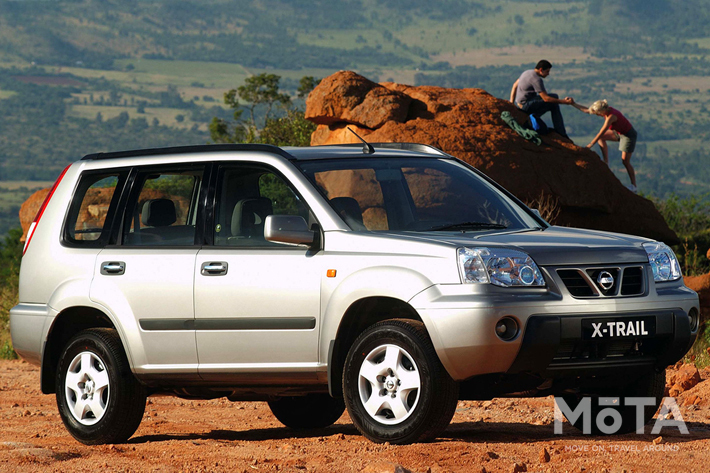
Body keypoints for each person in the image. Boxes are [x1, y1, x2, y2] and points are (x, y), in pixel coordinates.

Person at [571, 99, 638, 192]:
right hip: (618, 132)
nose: (597, 115)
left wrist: (590, 144)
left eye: (598, 114)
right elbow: (588, 110)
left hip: (628, 135)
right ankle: (606, 163)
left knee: (625, 161)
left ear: (602, 111)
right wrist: (573, 104)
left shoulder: (611, 116)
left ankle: (634, 186)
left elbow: (601, 131)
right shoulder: (605, 110)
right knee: (601, 138)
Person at [510, 60, 574, 138]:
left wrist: (511, 103)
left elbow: (514, 85)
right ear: (541, 70)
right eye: (547, 71)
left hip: (521, 104)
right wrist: (564, 102)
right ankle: (561, 132)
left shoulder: (527, 72)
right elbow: (546, 98)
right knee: (554, 102)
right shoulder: (536, 79)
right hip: (526, 105)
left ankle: (534, 121)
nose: (548, 74)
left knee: (554, 98)